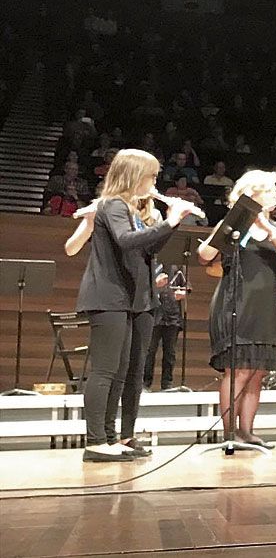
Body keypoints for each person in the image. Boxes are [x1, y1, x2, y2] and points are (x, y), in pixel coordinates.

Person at [71, 149, 191, 462]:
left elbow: (147, 247)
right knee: (105, 371)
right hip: (107, 296)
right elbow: (125, 241)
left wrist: (171, 224)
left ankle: (112, 437)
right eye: (151, 176)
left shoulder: (132, 211)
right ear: (134, 175)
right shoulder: (112, 205)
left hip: (125, 297)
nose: (154, 182)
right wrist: (171, 221)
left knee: (121, 372)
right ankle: (96, 441)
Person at [197, 170, 276, 448]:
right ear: (253, 194)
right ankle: (229, 434)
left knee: (257, 372)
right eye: (271, 190)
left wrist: (267, 226)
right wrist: (226, 232)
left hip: (264, 305)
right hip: (236, 301)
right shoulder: (233, 224)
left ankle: (247, 432)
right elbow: (205, 255)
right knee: (238, 369)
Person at [143, 267, 185, 391]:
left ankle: (167, 384)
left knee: (170, 353)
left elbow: (186, 287)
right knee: (149, 351)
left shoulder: (177, 268)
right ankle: (145, 383)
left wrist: (182, 293)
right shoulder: (151, 265)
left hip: (172, 315)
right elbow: (141, 288)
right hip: (154, 315)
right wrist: (155, 285)